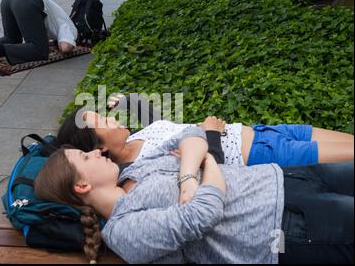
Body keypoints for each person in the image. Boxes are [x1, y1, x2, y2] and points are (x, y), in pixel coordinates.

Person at [35, 125, 354, 264]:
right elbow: (203, 213)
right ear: (81, 186)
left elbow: (192, 134)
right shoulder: (124, 230)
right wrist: (208, 161)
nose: (94, 153)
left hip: (287, 178)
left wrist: (191, 175)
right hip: (285, 225)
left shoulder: (133, 172)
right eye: (84, 157)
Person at [57, 106, 354, 168]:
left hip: (265, 131)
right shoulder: (142, 168)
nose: (112, 119)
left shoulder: (136, 137)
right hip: (264, 156)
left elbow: (156, 118)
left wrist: (123, 101)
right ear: (100, 148)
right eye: (103, 123)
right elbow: (211, 169)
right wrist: (209, 131)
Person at [0, 0, 77, 68]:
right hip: (25, 2)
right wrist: (72, 43)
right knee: (40, 51)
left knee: (12, 39)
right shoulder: (70, 28)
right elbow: (65, 48)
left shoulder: (59, 18)